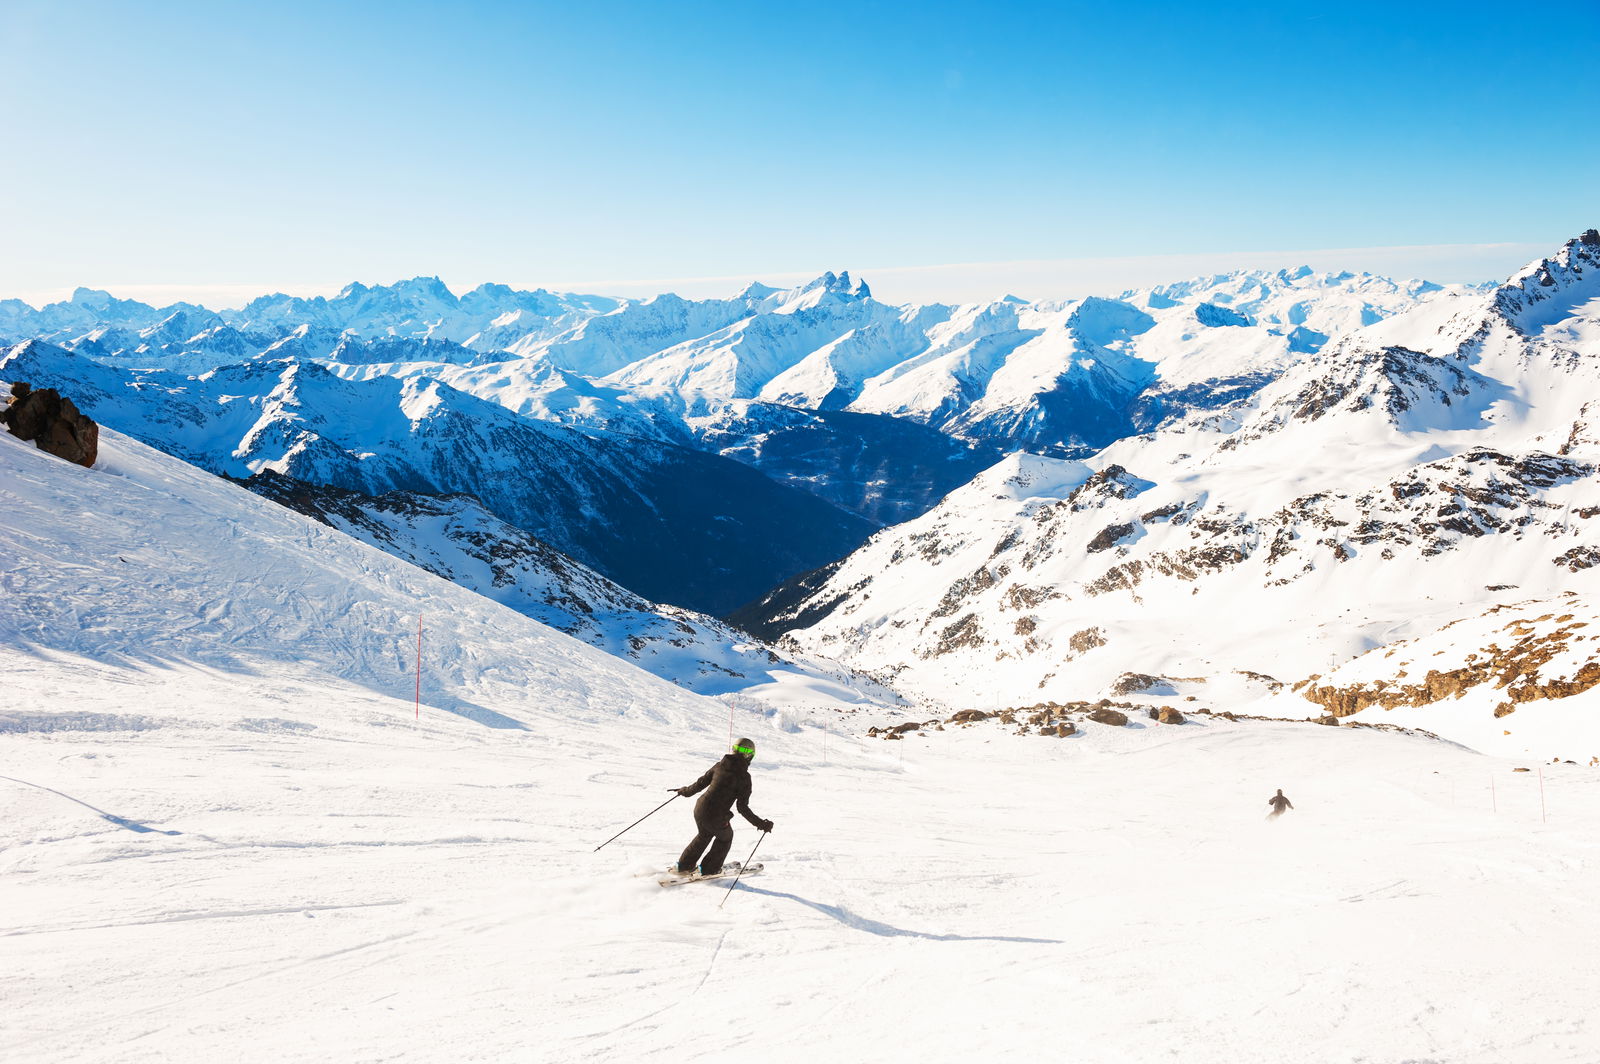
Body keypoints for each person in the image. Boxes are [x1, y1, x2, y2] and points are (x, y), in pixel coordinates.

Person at [671, 737, 774, 876]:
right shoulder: (744, 777)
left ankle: (684, 866)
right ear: (750, 755)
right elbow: (742, 808)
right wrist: (761, 824)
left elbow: (700, 784)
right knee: (725, 837)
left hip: (700, 809)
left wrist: (684, 791)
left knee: (704, 834)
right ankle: (709, 869)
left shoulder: (719, 765)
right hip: (716, 816)